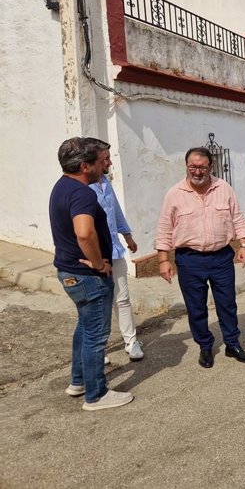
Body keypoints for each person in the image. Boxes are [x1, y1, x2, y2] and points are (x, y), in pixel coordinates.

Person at [49, 137, 134, 411]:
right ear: (85, 166)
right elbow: (84, 232)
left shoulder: (62, 186)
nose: (108, 164)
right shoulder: (83, 193)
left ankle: (79, 381)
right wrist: (99, 264)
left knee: (85, 327)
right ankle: (96, 394)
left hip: (69, 272)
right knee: (96, 334)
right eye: (103, 160)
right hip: (87, 277)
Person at [155, 147, 245, 369]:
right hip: (189, 260)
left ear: (211, 167)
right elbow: (164, 229)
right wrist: (163, 260)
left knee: (227, 304)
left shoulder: (224, 188)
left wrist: (244, 244)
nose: (197, 172)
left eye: (202, 167)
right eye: (193, 167)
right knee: (196, 307)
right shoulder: (174, 194)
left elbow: (237, 218)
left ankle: (232, 344)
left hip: (221, 258)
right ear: (186, 167)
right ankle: (205, 347)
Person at [89, 173, 144, 361]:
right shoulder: (83, 186)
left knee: (122, 298)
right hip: (94, 253)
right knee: (99, 302)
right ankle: (99, 349)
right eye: (105, 159)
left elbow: (116, 211)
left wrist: (127, 235)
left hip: (115, 250)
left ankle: (131, 342)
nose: (109, 163)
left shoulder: (105, 182)